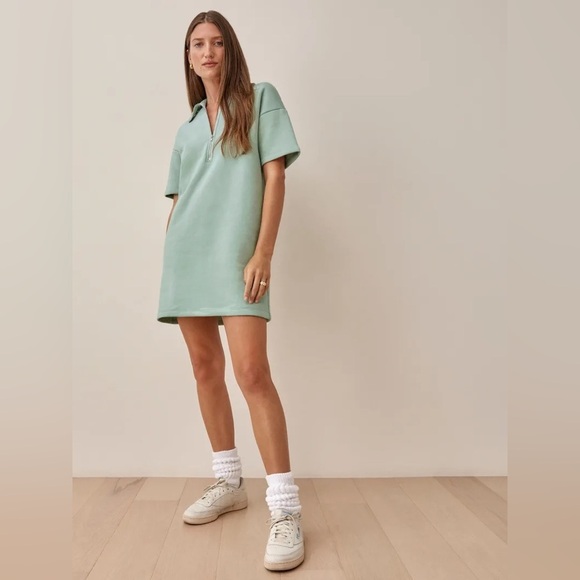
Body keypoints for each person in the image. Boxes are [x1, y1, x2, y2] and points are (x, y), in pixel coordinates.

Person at [156, 10, 304, 572]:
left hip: (238, 259)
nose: (208, 51)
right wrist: (171, 256)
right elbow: (179, 202)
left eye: (217, 42)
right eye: (198, 44)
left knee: (252, 374)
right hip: (186, 259)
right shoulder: (187, 129)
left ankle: (285, 508)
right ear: (189, 57)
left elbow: (275, 176)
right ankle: (228, 482)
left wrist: (263, 253)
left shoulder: (261, 99)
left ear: (230, 49)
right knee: (204, 369)